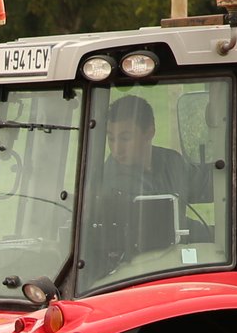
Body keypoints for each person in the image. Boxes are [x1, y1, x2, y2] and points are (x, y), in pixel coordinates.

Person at [84, 94, 211, 278]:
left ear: (149, 132)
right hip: (137, 273)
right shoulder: (111, 183)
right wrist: (217, 236)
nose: (116, 148)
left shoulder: (172, 162)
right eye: (111, 138)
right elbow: (165, 224)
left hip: (177, 263)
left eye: (125, 138)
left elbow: (207, 184)